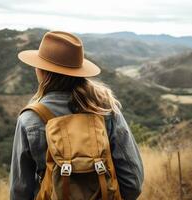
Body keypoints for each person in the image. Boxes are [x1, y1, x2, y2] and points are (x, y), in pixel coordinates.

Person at [9, 31, 144, 200]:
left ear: (43, 72)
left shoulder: (29, 119)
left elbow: (20, 190)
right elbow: (133, 184)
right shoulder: (104, 109)